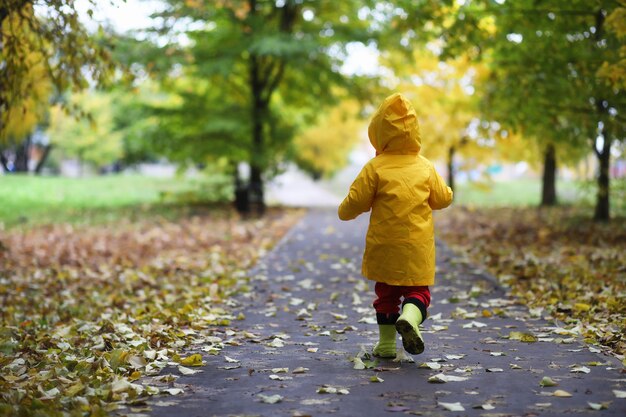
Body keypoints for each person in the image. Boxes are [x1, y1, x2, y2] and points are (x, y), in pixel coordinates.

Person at [338, 93, 453, 357]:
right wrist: (447, 191)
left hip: (385, 245)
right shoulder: (425, 167)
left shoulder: (375, 167)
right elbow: (442, 198)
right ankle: (411, 317)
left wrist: (343, 211)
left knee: (386, 294)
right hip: (417, 246)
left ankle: (387, 345)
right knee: (418, 291)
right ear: (414, 132)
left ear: (378, 132)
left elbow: (356, 200)